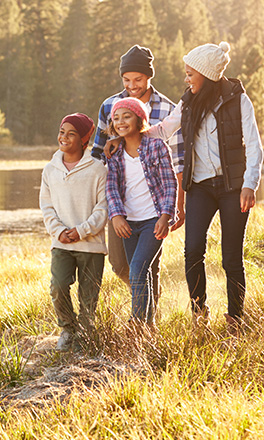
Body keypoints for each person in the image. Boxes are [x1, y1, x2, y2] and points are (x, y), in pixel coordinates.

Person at [146, 42, 263, 336]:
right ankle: (200, 313)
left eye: (190, 74)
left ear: (207, 74)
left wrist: (249, 184)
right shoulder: (188, 102)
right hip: (199, 186)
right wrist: (131, 134)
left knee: (230, 257)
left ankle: (235, 319)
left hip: (232, 187)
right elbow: (165, 129)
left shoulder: (238, 101)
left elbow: (254, 145)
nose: (186, 79)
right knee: (193, 249)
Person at [92, 44, 185, 309]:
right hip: (121, 203)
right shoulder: (110, 105)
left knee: (147, 264)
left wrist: (177, 207)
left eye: (138, 79)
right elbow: (98, 153)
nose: (132, 85)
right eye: (126, 79)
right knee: (121, 264)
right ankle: (148, 301)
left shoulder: (166, 108)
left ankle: (144, 323)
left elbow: (177, 160)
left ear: (149, 77)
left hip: (155, 204)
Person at [105, 97, 177, 326]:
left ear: (140, 120)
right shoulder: (114, 153)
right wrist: (116, 216)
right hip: (129, 223)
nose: (120, 122)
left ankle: (136, 324)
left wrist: (165, 217)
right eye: (116, 118)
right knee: (139, 272)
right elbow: (112, 187)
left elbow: (170, 184)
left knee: (138, 269)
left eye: (126, 116)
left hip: (153, 221)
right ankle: (147, 327)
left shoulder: (156, 147)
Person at [39, 113, 107, 352]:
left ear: (84, 140)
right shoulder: (50, 170)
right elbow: (46, 206)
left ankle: (88, 336)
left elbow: (103, 208)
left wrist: (81, 231)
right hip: (61, 244)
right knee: (58, 286)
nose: (64, 137)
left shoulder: (98, 170)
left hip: (91, 245)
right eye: (61, 132)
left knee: (89, 297)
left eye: (71, 134)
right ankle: (68, 329)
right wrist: (59, 232)